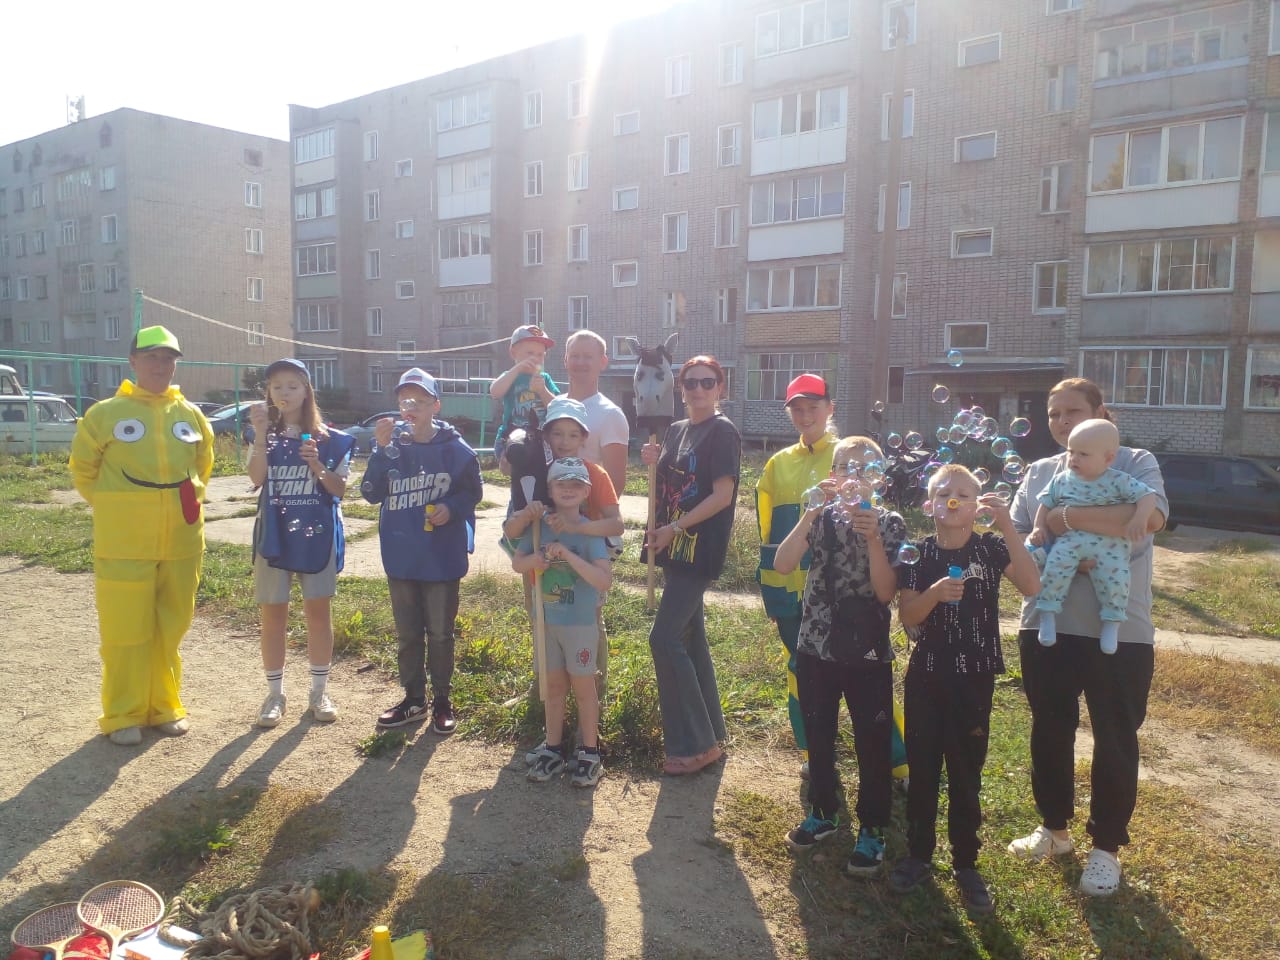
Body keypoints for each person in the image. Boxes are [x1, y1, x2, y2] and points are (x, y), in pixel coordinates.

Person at [1007, 377, 1167, 899]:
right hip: (1046, 625)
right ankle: (1055, 832)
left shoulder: (1134, 461)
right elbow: (1016, 543)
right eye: (1053, 414)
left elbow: (1148, 519)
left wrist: (1062, 518)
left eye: (1072, 412)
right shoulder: (1038, 472)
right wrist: (1048, 537)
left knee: (1115, 737)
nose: (1060, 423)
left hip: (1118, 631)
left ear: (1102, 412)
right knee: (1049, 729)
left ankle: (1105, 850)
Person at [891, 464, 1041, 914]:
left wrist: (1009, 527)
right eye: (943, 492)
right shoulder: (916, 553)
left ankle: (966, 863)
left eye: (962, 493)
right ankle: (919, 854)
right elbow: (908, 616)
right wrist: (935, 593)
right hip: (927, 675)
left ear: (977, 505)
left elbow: (1032, 585)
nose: (952, 499)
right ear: (928, 504)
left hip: (973, 676)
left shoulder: (992, 548)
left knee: (965, 769)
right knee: (922, 766)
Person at [69, 325, 215, 745]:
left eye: (169, 358)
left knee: (172, 626)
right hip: (124, 544)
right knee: (125, 631)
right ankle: (123, 714)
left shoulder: (190, 414)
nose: (161, 365)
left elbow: (202, 467)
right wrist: (120, 508)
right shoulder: (104, 414)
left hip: (182, 542)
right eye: (152, 356)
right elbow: (83, 471)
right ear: (133, 361)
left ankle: (165, 705)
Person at [773, 436, 907, 877]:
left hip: (868, 651)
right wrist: (810, 510)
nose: (854, 476)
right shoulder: (821, 518)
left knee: (872, 739)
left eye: (864, 468)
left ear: (878, 478)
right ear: (833, 474)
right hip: (816, 645)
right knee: (819, 732)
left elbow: (887, 592)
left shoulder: (889, 523)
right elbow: (783, 564)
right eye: (845, 467)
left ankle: (872, 828)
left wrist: (871, 540)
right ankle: (824, 812)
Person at [362, 368, 483, 734]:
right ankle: (414, 699)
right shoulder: (392, 448)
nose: (410, 407)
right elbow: (370, 493)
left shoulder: (455, 450)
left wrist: (453, 508)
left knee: (441, 634)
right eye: (404, 401)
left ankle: (443, 700)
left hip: (441, 558)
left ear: (436, 406)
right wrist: (381, 453)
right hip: (401, 555)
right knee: (408, 634)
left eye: (419, 400)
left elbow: (473, 492)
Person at [641, 355, 741, 775]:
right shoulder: (678, 430)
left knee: (663, 639)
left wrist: (677, 527)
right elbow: (668, 482)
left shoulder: (723, 432)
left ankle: (696, 744)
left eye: (708, 382)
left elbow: (722, 495)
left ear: (721, 388)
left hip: (698, 548)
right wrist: (652, 459)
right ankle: (712, 733)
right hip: (671, 545)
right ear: (681, 389)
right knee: (690, 639)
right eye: (691, 383)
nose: (699, 389)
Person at [247, 358, 355, 727]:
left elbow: (339, 490)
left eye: (292, 385)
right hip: (274, 536)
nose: (284, 393)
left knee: (318, 614)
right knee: (273, 614)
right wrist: (261, 433)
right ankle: (274, 695)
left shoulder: (330, 440)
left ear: (307, 391)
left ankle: (319, 691)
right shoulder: (266, 435)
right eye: (276, 386)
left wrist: (317, 466)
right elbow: (256, 478)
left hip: (317, 536)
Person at [503, 395, 624, 719]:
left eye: (573, 434)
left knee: (590, 630)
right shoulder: (539, 473)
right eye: (557, 434)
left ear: (584, 438)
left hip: (585, 572)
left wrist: (576, 528)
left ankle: (594, 696)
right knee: (542, 627)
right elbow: (514, 529)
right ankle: (543, 692)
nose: (565, 442)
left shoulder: (594, 474)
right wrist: (527, 517)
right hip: (541, 572)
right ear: (546, 436)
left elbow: (616, 524)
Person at [512, 457, 614, 787]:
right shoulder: (538, 526)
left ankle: (589, 752)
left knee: (585, 689)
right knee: (553, 688)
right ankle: (553, 748)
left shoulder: (588, 531)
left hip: (580, 625)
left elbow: (603, 580)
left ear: (586, 491)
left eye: (575, 484)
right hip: (546, 623)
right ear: (551, 489)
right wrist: (537, 560)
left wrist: (568, 555)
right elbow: (518, 562)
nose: (568, 490)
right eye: (561, 484)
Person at [756, 373, 836, 779]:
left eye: (813, 406)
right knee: (800, 669)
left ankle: (895, 762)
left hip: (839, 592)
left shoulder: (847, 456)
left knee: (859, 672)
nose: (805, 415)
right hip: (790, 590)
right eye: (797, 409)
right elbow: (767, 534)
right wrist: (771, 589)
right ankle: (811, 752)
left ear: (829, 409)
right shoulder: (777, 464)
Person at [1030, 418, 1158, 654]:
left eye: (1083, 454)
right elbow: (1045, 504)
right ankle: (1047, 614)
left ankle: (1112, 622)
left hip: (1109, 544)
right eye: (1071, 452)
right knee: (1055, 569)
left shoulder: (1118, 479)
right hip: (1071, 540)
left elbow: (1148, 497)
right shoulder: (1062, 479)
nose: (1073, 459)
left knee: (1116, 579)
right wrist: (1039, 527)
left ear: (1108, 458)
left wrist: (1140, 518)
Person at [563, 330, 629, 497]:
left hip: (585, 517)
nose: (580, 362)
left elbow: (615, 484)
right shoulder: (554, 407)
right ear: (565, 360)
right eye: (575, 356)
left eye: (587, 357)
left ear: (603, 362)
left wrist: (590, 521)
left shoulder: (611, 415)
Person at [489, 324, 561, 468]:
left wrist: (542, 391)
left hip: (540, 440)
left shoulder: (544, 378)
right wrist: (516, 369)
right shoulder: (510, 377)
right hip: (511, 437)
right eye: (529, 353)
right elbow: (494, 392)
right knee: (518, 478)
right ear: (513, 353)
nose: (535, 358)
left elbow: (558, 407)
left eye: (540, 355)